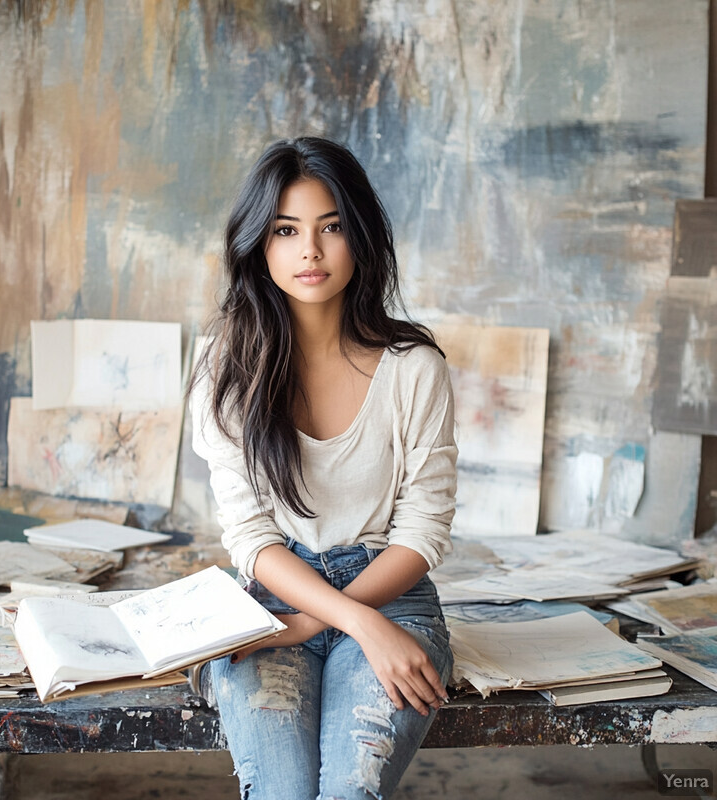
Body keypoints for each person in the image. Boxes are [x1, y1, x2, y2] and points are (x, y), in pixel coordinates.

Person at [189, 136, 457, 800]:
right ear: (259, 244)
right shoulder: (226, 370)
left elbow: (422, 532)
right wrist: (350, 621)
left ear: (360, 237)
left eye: (331, 227)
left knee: (349, 792)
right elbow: (250, 539)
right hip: (271, 603)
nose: (310, 250)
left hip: (392, 595)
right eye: (286, 230)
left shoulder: (413, 368)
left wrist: (342, 616)